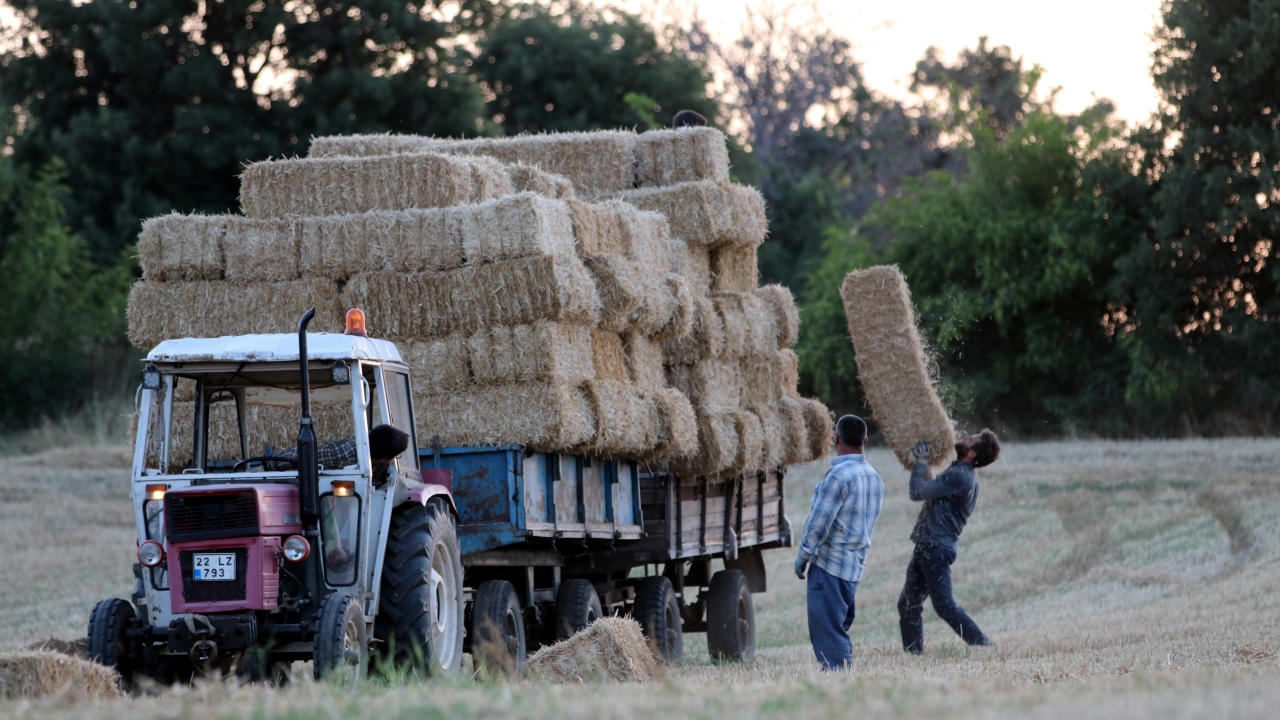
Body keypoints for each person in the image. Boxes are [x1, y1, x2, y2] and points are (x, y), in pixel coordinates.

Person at [897, 430, 1001, 655]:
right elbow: (931, 488)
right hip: (929, 545)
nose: (964, 438)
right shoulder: (962, 473)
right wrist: (922, 464)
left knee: (944, 605)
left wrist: (921, 461)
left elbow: (917, 492)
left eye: (970, 440)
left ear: (972, 452)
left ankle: (983, 645)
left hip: (935, 548)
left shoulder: (961, 476)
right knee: (908, 603)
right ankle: (913, 656)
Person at [794, 415, 885, 670]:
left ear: (835, 439)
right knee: (838, 627)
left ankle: (839, 679)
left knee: (829, 632)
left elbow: (818, 523)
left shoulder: (838, 476)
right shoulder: (875, 478)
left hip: (829, 568)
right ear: (865, 440)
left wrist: (803, 557)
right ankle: (842, 677)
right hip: (853, 569)